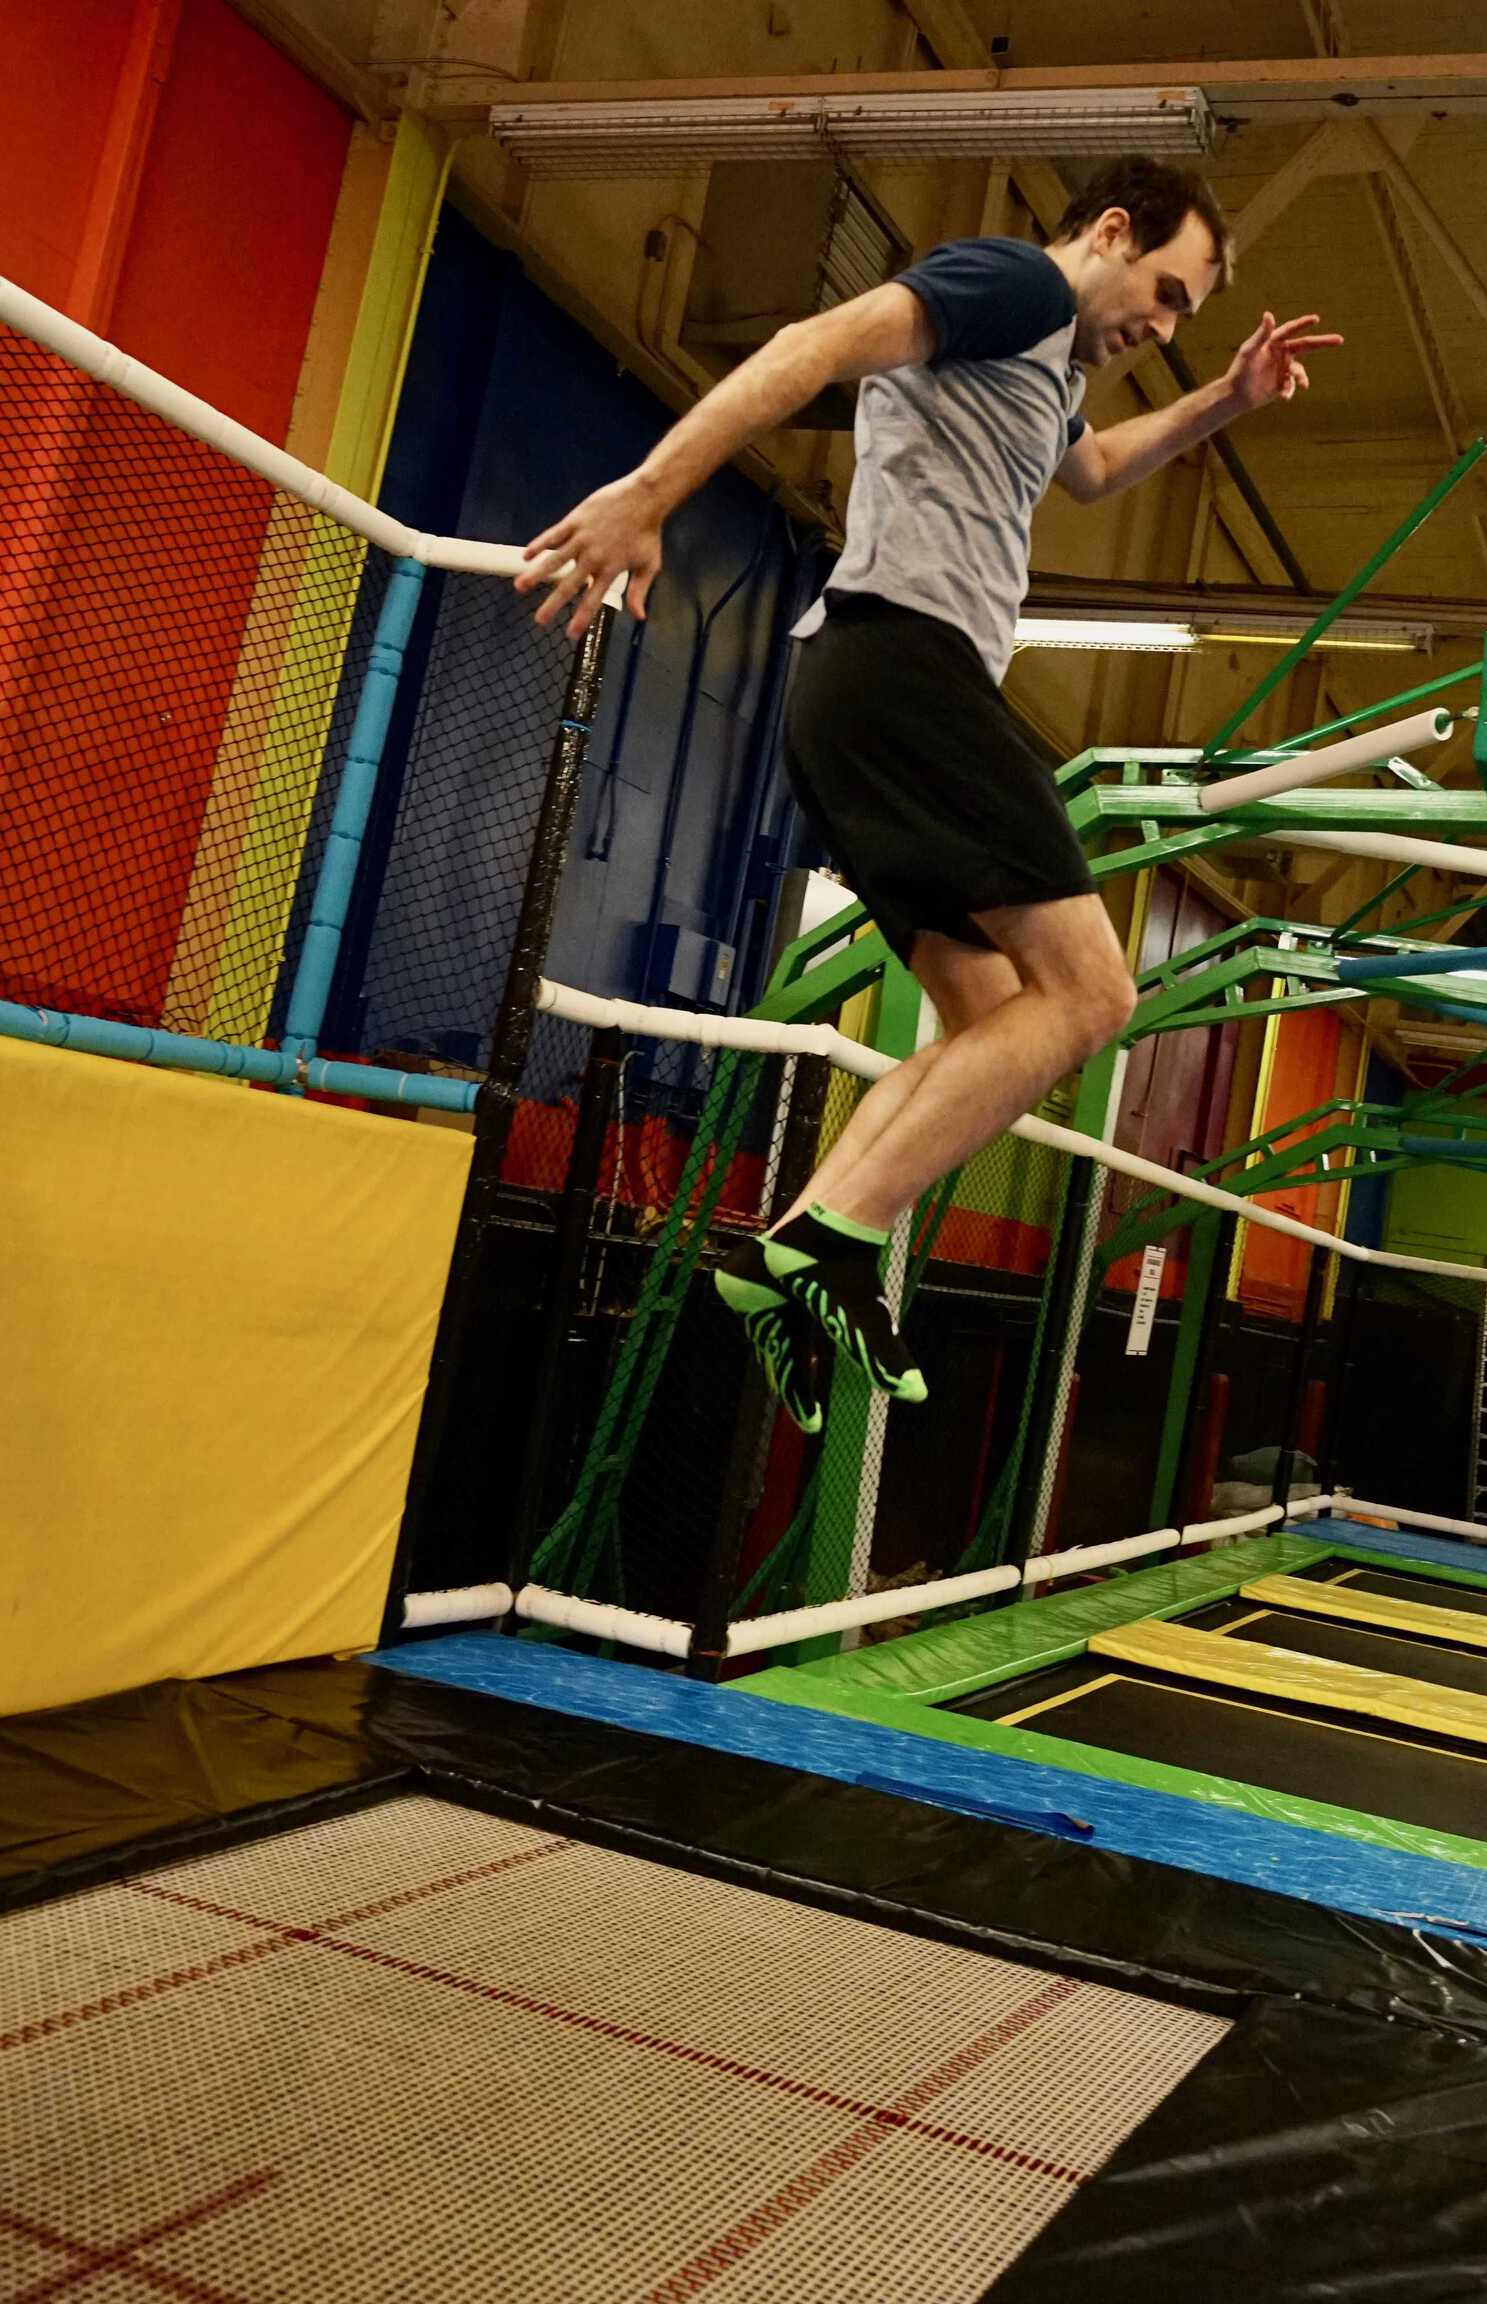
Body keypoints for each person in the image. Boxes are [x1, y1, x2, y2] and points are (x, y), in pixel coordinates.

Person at [518, 157, 1339, 1432]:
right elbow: (814, 342)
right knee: (1095, 991)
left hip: (860, 693)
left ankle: (783, 1248)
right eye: (1168, 294)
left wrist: (1222, 403)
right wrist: (648, 493)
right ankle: (834, 1239)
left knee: (995, 1017)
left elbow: (1096, 469)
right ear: (1110, 232)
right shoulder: (1009, 282)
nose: (1164, 330)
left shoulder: (1040, 364)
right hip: (904, 669)